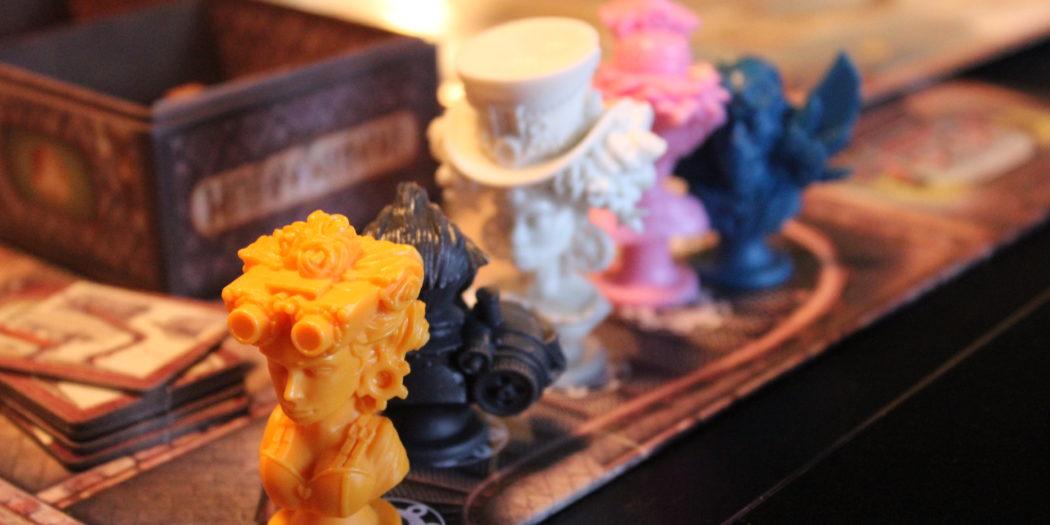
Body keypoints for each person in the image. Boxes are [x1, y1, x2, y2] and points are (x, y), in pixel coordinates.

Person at [222, 210, 428, 525]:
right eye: (279, 368)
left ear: (367, 362)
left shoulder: (378, 443)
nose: (291, 393)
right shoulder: (279, 423)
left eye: (315, 372)